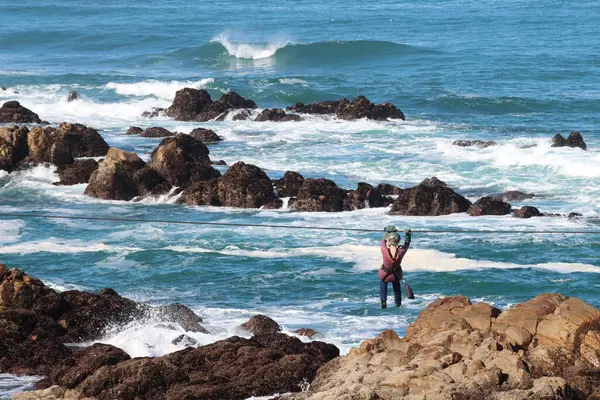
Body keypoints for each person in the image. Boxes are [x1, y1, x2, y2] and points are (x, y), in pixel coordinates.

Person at [379, 225, 411, 308]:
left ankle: (383, 301)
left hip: (385, 274)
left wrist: (386, 231)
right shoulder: (401, 251)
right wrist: (407, 235)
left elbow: (382, 241)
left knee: (383, 282)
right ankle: (398, 303)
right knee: (396, 285)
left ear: (388, 241)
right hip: (396, 275)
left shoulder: (384, 250)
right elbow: (407, 244)